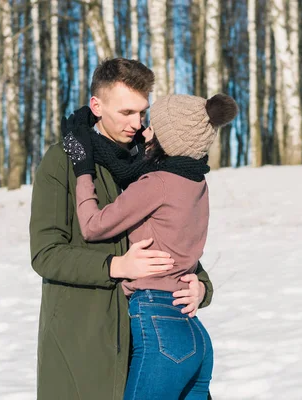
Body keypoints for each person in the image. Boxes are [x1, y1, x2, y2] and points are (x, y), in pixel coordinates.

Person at [29, 58, 215, 400]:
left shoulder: (154, 165)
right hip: (84, 340)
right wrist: (116, 267)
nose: (137, 123)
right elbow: (46, 254)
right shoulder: (63, 161)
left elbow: (173, 239)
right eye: (126, 112)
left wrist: (201, 286)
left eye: (142, 113)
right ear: (96, 106)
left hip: (151, 336)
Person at [62, 92, 238, 399]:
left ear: (168, 139)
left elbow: (92, 226)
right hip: (193, 332)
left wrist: (83, 169)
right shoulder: (196, 182)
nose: (145, 132)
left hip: (158, 326)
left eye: (153, 128)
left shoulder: (157, 183)